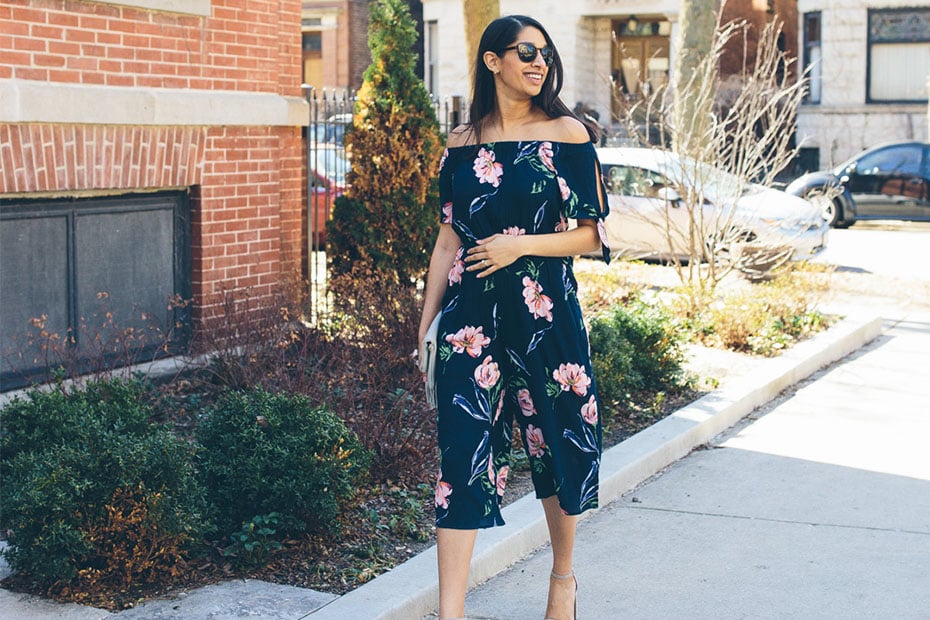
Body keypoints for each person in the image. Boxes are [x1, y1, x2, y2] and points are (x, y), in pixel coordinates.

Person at [418, 15, 610, 620]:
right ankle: (451, 613)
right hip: (469, 321)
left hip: (546, 318)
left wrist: (519, 245)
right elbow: (448, 240)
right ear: (493, 60)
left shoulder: (568, 134)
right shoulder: (460, 142)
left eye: (546, 54)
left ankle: (562, 581)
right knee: (462, 459)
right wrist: (425, 324)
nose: (539, 62)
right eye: (527, 51)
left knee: (557, 447)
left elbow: (590, 237)